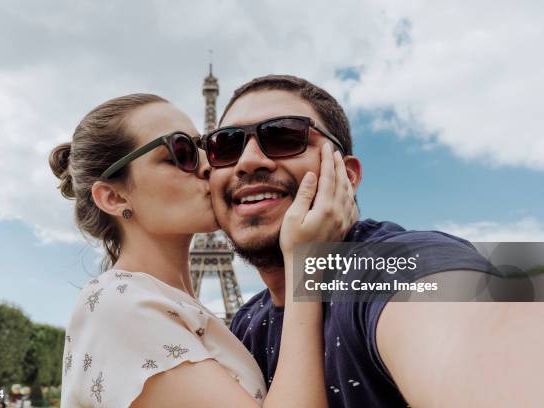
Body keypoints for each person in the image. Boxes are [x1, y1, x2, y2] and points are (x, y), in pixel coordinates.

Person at [204, 74, 544, 407]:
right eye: (226, 145)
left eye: (284, 137)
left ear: (347, 176)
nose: (248, 161)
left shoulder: (386, 264)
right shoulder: (247, 322)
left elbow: (468, 332)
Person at [52, 93, 357, 407]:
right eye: (181, 153)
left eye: (205, 147)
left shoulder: (173, 309)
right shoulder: (120, 306)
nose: (209, 166)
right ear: (114, 198)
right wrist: (304, 264)